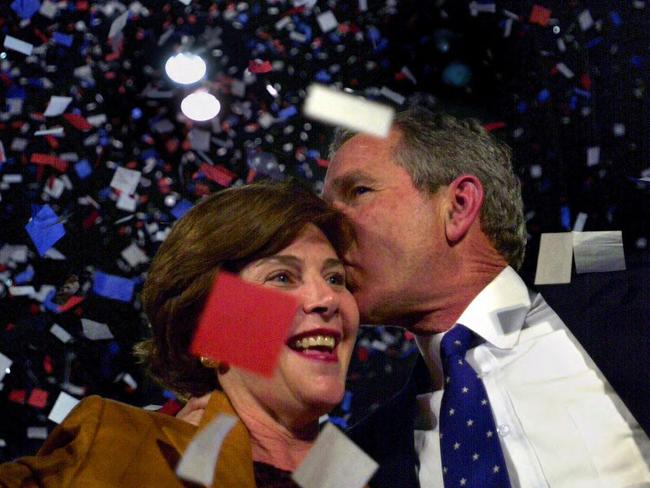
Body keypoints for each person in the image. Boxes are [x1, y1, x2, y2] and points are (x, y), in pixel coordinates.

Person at [321, 107, 650, 488]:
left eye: (357, 191)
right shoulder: (359, 458)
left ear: (459, 204)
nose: (326, 226)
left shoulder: (632, 307)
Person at [0, 180, 359, 487]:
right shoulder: (124, 447)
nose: (327, 298)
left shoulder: (379, 469)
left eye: (335, 278)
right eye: (282, 277)